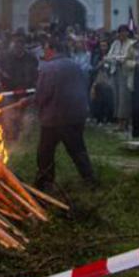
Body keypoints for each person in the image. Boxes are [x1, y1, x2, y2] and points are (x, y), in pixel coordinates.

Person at [34, 37, 98, 191]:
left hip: (55, 118)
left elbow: (43, 94)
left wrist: (36, 104)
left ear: (52, 49)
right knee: (77, 149)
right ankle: (89, 179)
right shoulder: (75, 65)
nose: (44, 53)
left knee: (45, 151)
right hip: (77, 115)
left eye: (45, 49)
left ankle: (46, 182)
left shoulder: (48, 68)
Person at [105, 26, 136, 133]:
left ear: (127, 33)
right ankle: (119, 122)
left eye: (124, 32)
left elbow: (131, 58)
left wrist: (119, 58)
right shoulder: (115, 43)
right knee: (116, 97)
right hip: (115, 71)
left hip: (125, 73)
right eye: (120, 32)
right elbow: (108, 57)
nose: (122, 34)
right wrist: (117, 58)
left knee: (124, 98)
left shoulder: (132, 44)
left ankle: (124, 123)